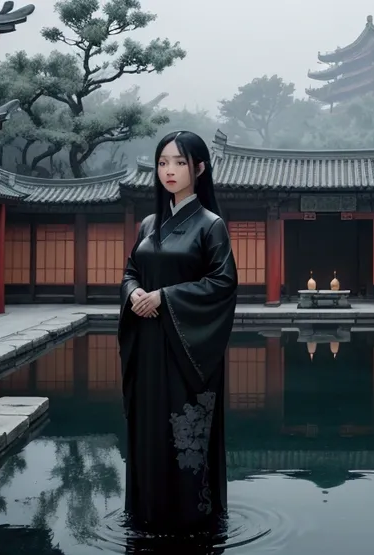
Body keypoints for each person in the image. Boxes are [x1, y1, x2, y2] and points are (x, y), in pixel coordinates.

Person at [117, 130, 238, 533]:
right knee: (149, 427)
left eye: (180, 162)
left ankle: (192, 517)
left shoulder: (210, 225)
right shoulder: (150, 223)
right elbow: (131, 271)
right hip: (149, 345)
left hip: (189, 350)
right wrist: (134, 292)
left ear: (199, 169)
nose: (169, 170)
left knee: (185, 431)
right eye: (163, 162)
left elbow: (223, 284)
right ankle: (147, 511)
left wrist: (164, 297)